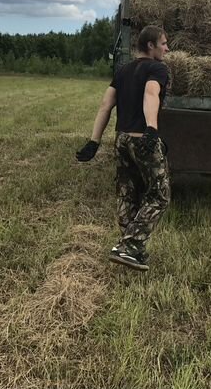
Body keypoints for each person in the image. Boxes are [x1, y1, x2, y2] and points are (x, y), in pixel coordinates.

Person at [75, 25, 170, 271]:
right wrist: (152, 129)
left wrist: (94, 141)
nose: (167, 49)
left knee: (127, 193)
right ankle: (130, 246)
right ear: (150, 45)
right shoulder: (157, 68)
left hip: (122, 139)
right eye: (163, 44)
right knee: (159, 195)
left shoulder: (123, 70)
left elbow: (105, 105)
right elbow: (151, 94)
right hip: (141, 139)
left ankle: (130, 251)